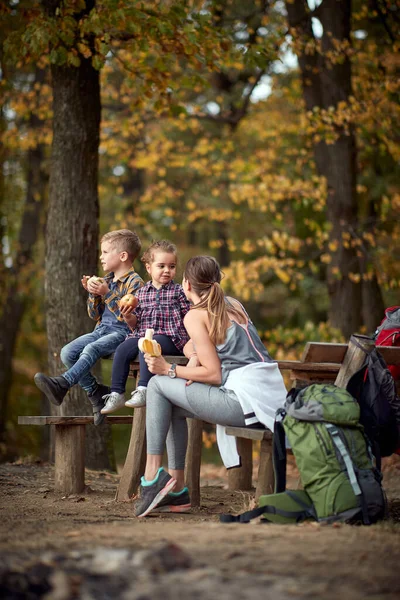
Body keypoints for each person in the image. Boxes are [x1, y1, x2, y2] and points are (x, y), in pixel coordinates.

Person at [132, 255, 288, 518]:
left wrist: (167, 368)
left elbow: (214, 374)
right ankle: (178, 491)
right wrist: (194, 353)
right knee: (169, 403)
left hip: (244, 402)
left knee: (158, 384)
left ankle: (151, 477)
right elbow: (223, 351)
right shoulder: (233, 304)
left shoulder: (195, 315)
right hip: (272, 399)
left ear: (187, 285)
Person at [34, 229, 143, 425]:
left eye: (105, 252)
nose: (101, 257)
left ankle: (63, 383)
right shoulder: (107, 279)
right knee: (67, 352)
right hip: (101, 330)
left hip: (123, 333)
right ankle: (96, 391)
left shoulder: (135, 283)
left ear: (123, 256)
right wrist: (93, 294)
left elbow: (124, 315)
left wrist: (106, 292)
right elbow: (94, 315)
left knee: (91, 348)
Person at [101, 240, 191, 414]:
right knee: (123, 348)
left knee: (147, 343)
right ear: (149, 268)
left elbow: (188, 316)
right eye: (161, 266)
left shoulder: (178, 291)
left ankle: (144, 389)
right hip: (144, 335)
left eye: (171, 266)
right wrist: (128, 316)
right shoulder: (141, 293)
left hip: (171, 338)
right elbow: (136, 323)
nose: (167, 270)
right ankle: (116, 393)